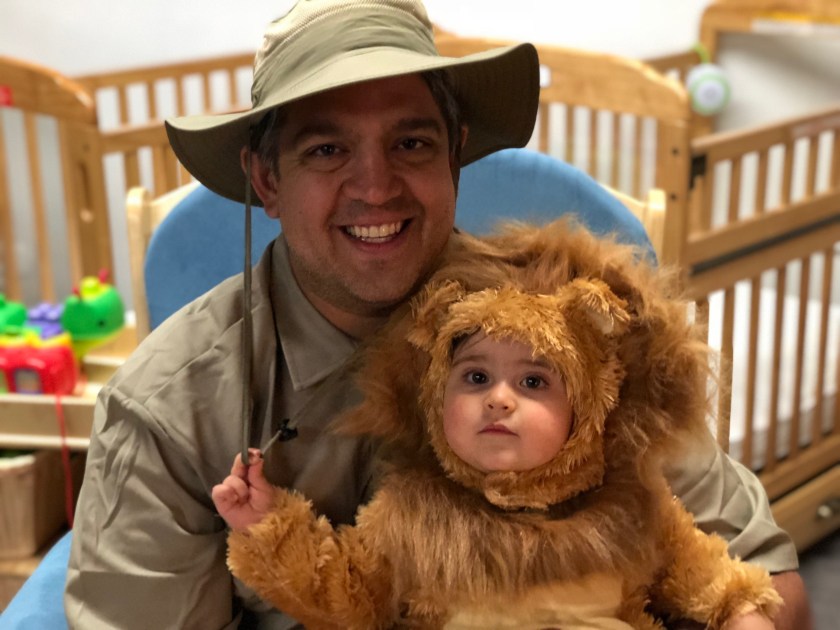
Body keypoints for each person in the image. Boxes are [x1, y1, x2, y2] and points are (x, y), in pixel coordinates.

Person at [65, 0, 811, 628]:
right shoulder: (171, 409)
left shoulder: (565, 334)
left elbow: (767, 582)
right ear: (266, 178)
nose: (375, 186)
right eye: (326, 149)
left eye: (411, 142)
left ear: (453, 153)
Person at [211, 254, 781, 629]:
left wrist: (742, 613)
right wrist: (267, 524)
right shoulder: (412, 515)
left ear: (587, 410)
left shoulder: (632, 507)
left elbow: (707, 574)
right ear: (437, 399)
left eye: (534, 382)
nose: (499, 399)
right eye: (476, 377)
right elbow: (344, 595)